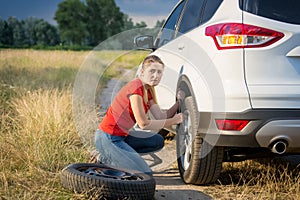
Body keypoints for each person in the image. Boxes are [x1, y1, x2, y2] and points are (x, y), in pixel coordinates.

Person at [94, 55, 184, 175]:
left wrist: (178, 103)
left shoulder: (148, 91)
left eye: (159, 72)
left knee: (157, 140)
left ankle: (115, 158)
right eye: (152, 71)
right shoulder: (135, 88)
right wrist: (174, 121)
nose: (156, 76)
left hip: (122, 137)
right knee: (145, 175)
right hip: (108, 138)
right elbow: (143, 124)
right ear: (142, 72)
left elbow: (161, 117)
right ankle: (108, 159)